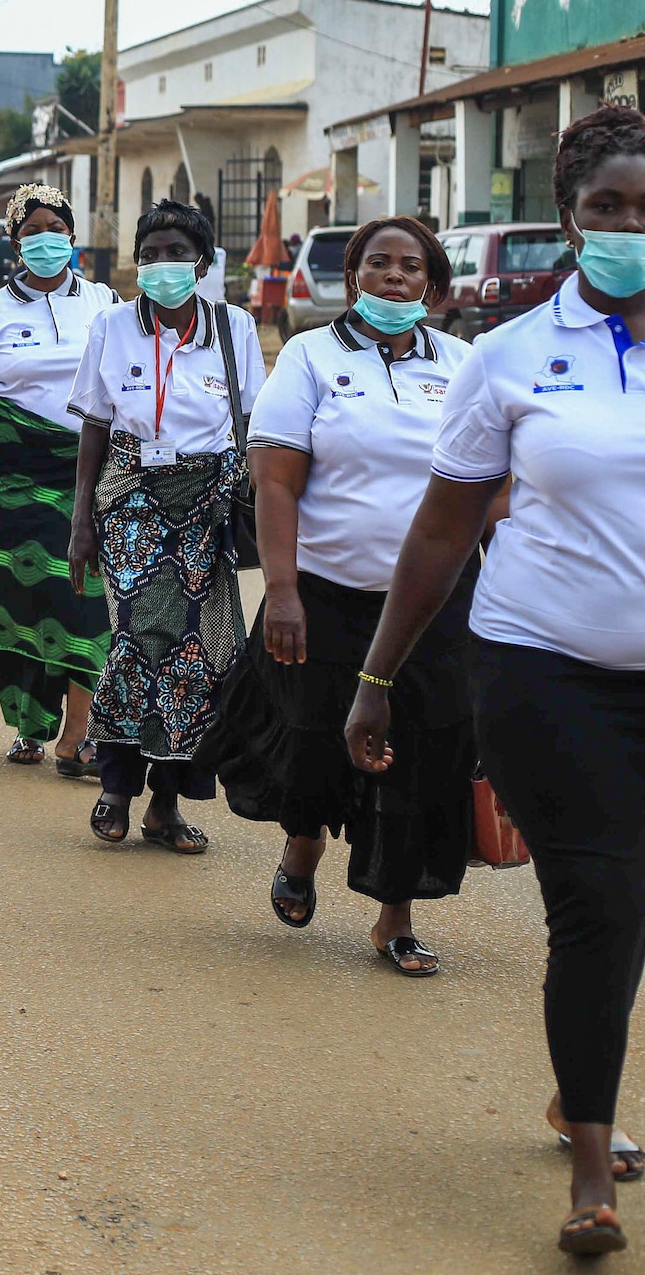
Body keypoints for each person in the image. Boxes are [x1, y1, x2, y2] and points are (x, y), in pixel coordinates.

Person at [347, 106, 645, 1257]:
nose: (628, 225)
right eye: (608, 206)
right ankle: (591, 1165)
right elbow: (441, 526)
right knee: (598, 905)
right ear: (570, 216)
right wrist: (375, 673)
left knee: (629, 908)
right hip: (540, 671)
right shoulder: (511, 355)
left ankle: (574, 1089)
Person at [239, 216, 474, 973]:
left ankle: (392, 916)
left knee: (421, 749)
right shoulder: (309, 355)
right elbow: (275, 477)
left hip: (432, 606)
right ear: (354, 278)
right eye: (379, 264)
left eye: (412, 267)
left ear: (433, 287)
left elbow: (494, 484)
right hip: (323, 594)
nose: (395, 277)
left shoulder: (466, 365)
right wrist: (281, 588)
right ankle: (301, 850)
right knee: (314, 738)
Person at [64, 198, 264, 855]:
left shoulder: (235, 328)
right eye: (149, 253)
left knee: (199, 655)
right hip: (129, 498)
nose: (160, 264)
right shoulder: (111, 326)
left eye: (175, 252)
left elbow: (258, 430)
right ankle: (117, 784)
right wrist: (80, 520)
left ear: (201, 262)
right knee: (140, 634)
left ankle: (167, 804)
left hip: (206, 501)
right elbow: (96, 423)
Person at [0, 187, 117, 770]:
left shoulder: (103, 301)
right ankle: (28, 726)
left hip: (86, 476)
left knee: (84, 604)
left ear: (72, 236)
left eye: (57, 228)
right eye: (34, 230)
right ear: (16, 241)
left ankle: (78, 734)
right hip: (10, 482)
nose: (47, 240)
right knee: (14, 605)